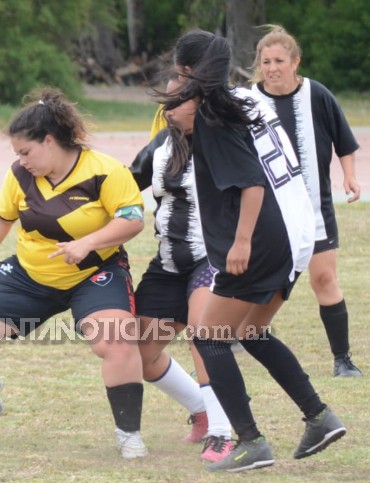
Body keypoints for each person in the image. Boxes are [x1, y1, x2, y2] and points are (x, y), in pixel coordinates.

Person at [160, 29, 347, 473]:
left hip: (262, 241)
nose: (170, 108)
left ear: (189, 74)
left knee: (208, 337)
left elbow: (251, 183)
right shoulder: (247, 99)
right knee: (250, 333)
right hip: (296, 236)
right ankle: (319, 417)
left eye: (175, 89)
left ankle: (250, 441)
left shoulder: (212, 119)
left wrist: (242, 241)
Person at [0, 88, 149, 459]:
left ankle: (128, 434)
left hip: (95, 273)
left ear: (49, 141)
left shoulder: (105, 171)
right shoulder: (20, 175)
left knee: (114, 341)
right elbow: (1, 217)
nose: (21, 160)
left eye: (26, 151)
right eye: (17, 154)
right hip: (31, 274)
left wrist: (89, 243)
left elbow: (132, 220)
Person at [130, 77, 234, 463]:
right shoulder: (162, 144)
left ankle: (225, 433)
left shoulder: (225, 139)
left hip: (214, 256)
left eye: (176, 101)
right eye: (165, 103)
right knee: (138, 352)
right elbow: (125, 184)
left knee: (203, 336)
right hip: (170, 262)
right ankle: (202, 410)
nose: (168, 109)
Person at [250, 25, 362, 377]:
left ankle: (342, 360)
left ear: (295, 62)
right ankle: (238, 337)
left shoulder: (317, 95)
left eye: (280, 60)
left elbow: (344, 142)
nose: (272, 68)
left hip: (314, 208)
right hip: (266, 213)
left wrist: (350, 176)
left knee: (324, 279)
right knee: (257, 282)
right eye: (266, 61)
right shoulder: (247, 100)